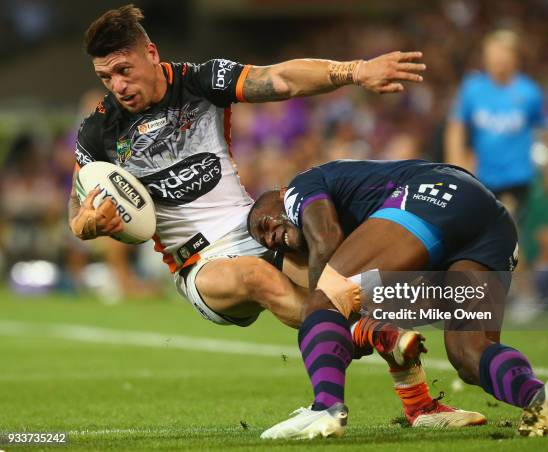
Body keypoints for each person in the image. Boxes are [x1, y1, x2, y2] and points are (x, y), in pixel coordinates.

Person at [68, 5, 426, 329]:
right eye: (106, 77)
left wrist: (356, 70)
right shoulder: (99, 130)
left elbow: (281, 79)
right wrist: (88, 224)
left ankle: (428, 375)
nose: (118, 86)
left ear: (150, 53)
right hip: (199, 264)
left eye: (123, 70)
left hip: (257, 231)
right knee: (258, 276)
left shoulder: (201, 81)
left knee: (356, 281)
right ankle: (359, 334)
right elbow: (77, 208)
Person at [247, 159, 548, 439]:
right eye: (263, 240)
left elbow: (326, 237)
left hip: (435, 194)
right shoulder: (371, 236)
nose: (269, 237)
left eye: (263, 223)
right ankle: (537, 396)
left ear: (279, 195)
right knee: (469, 354)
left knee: (324, 301)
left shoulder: (298, 187)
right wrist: (365, 325)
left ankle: (325, 407)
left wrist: (333, 312)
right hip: (490, 226)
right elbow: (399, 303)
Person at [445, 30, 548, 221]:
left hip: (517, 177)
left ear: (514, 57)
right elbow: (456, 126)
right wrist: (455, 163)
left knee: (505, 224)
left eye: (502, 54)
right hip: (482, 178)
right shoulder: (473, 89)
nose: (497, 60)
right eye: (492, 55)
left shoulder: (529, 92)